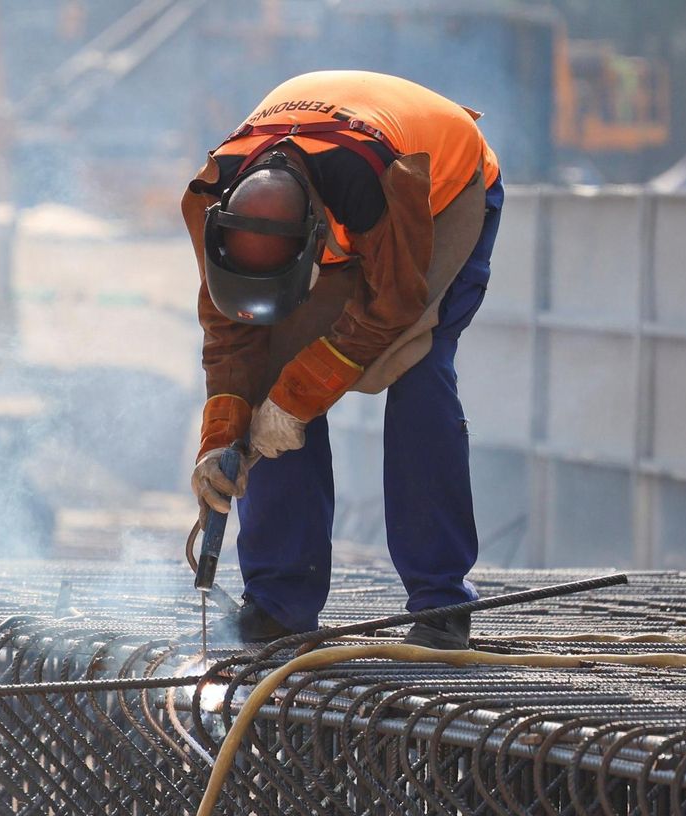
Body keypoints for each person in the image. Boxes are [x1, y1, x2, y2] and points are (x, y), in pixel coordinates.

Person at [182, 70, 504, 650]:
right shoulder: (211, 196)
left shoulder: (374, 186)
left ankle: (441, 602)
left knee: (419, 369)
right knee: (269, 383)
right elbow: (231, 336)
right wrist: (221, 437)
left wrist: (297, 401)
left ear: (315, 244)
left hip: (440, 192)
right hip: (346, 196)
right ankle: (279, 604)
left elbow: (391, 308)